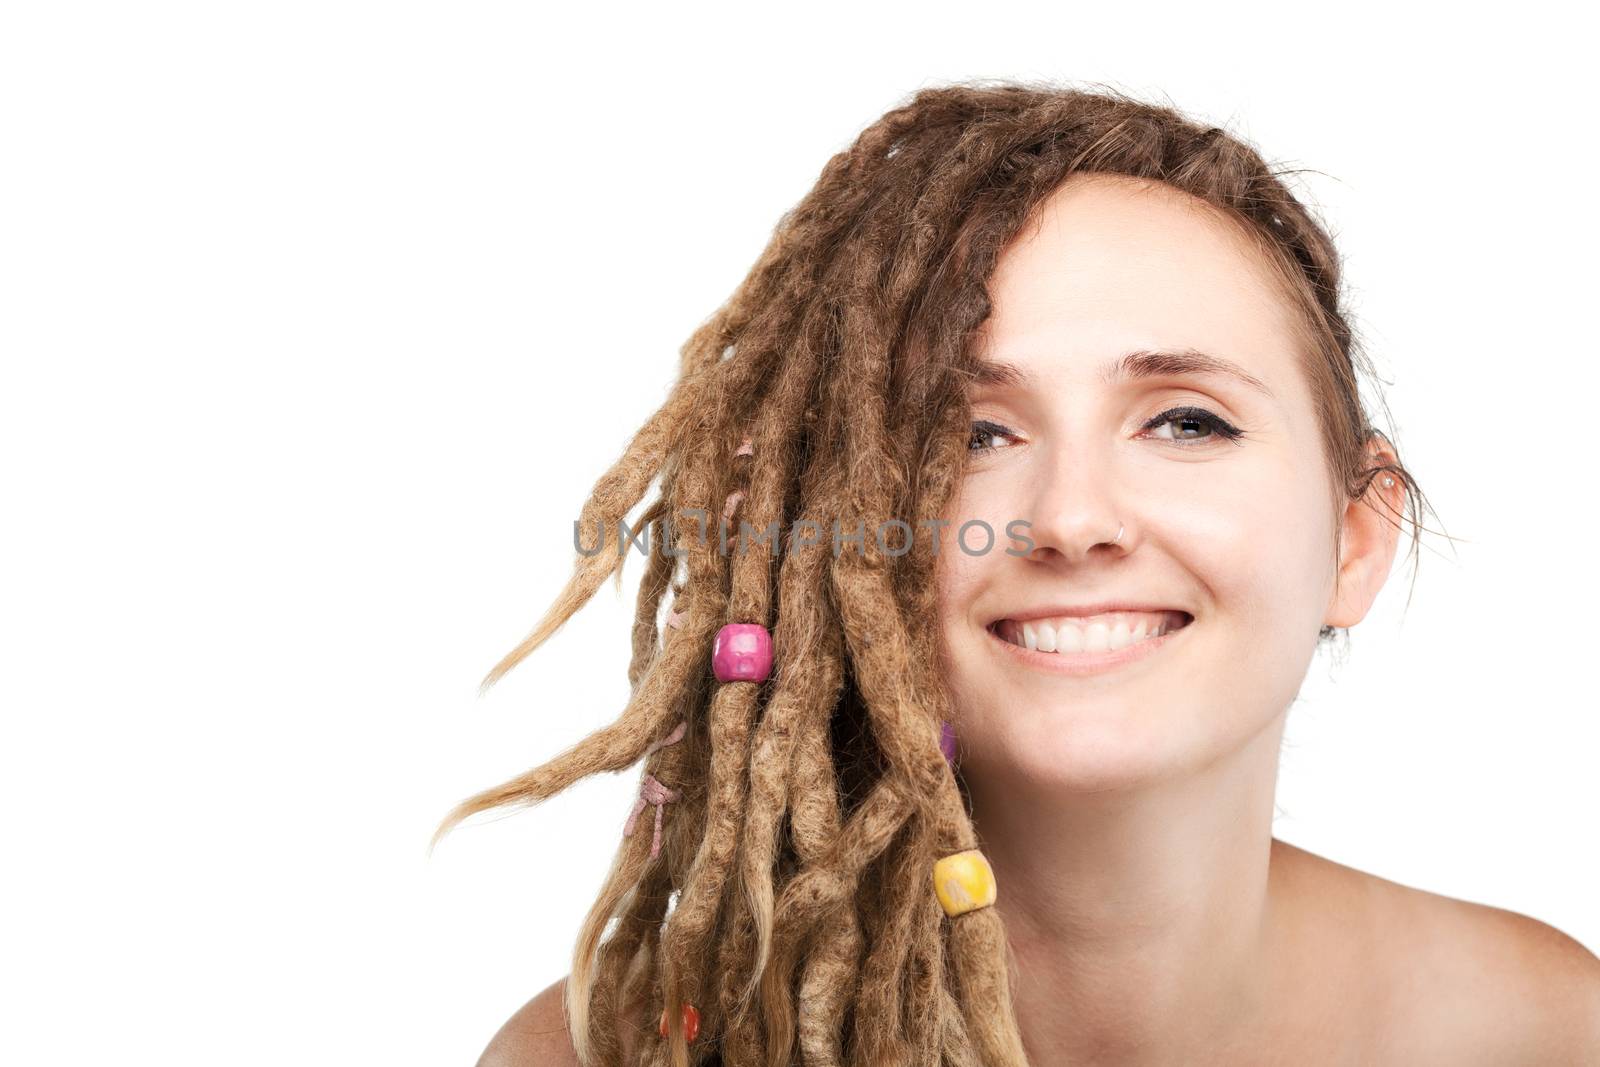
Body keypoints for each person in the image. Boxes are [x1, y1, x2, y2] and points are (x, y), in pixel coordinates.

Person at [435, 81, 1600, 1066]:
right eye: (971, 435)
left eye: (1185, 420)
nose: (1072, 517)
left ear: (1354, 538)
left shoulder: (1541, 1027)